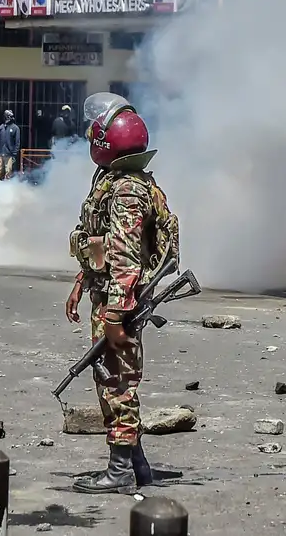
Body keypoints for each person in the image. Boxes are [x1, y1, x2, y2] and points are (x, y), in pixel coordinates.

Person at [64, 93, 179, 494]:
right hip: (113, 296)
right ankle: (139, 467)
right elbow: (102, 245)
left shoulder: (127, 190)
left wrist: (114, 316)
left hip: (120, 304)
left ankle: (119, 471)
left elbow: (126, 260)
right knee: (117, 379)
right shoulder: (120, 181)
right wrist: (82, 282)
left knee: (116, 383)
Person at [0, 109, 20, 180]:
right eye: (7, 116)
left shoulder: (15, 128)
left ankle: (7, 185)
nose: (8, 118)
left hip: (9, 153)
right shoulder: (1, 127)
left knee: (8, 171)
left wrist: (14, 153)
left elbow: (17, 142)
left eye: (9, 116)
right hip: (0, 153)